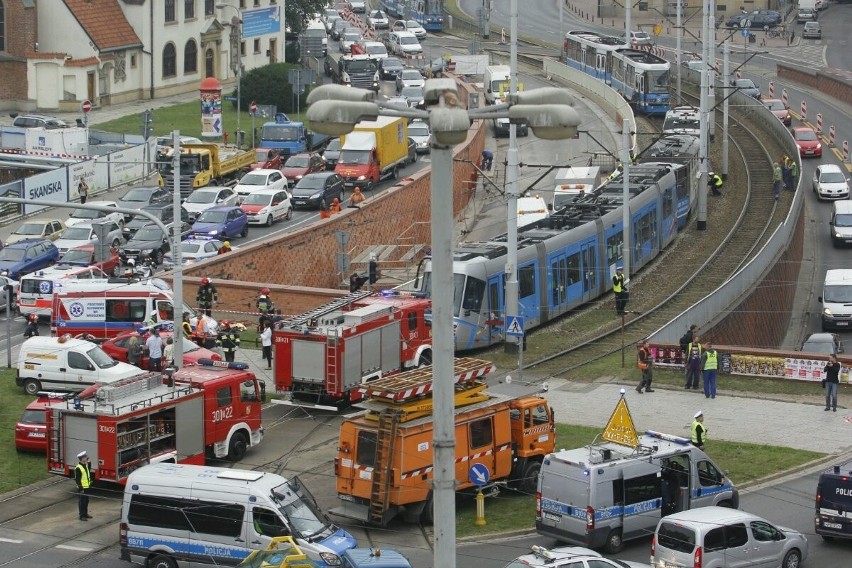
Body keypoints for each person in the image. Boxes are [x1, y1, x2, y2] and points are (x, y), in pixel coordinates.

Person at [75, 450, 93, 521]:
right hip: (82, 488)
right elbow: (78, 479)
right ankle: (82, 515)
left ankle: (85, 513)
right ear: (82, 459)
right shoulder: (78, 468)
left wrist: (89, 462)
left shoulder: (85, 465)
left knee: (86, 501)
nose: (86, 457)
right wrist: (81, 488)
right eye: (85, 457)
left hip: (87, 486)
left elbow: (88, 470)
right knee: (82, 502)